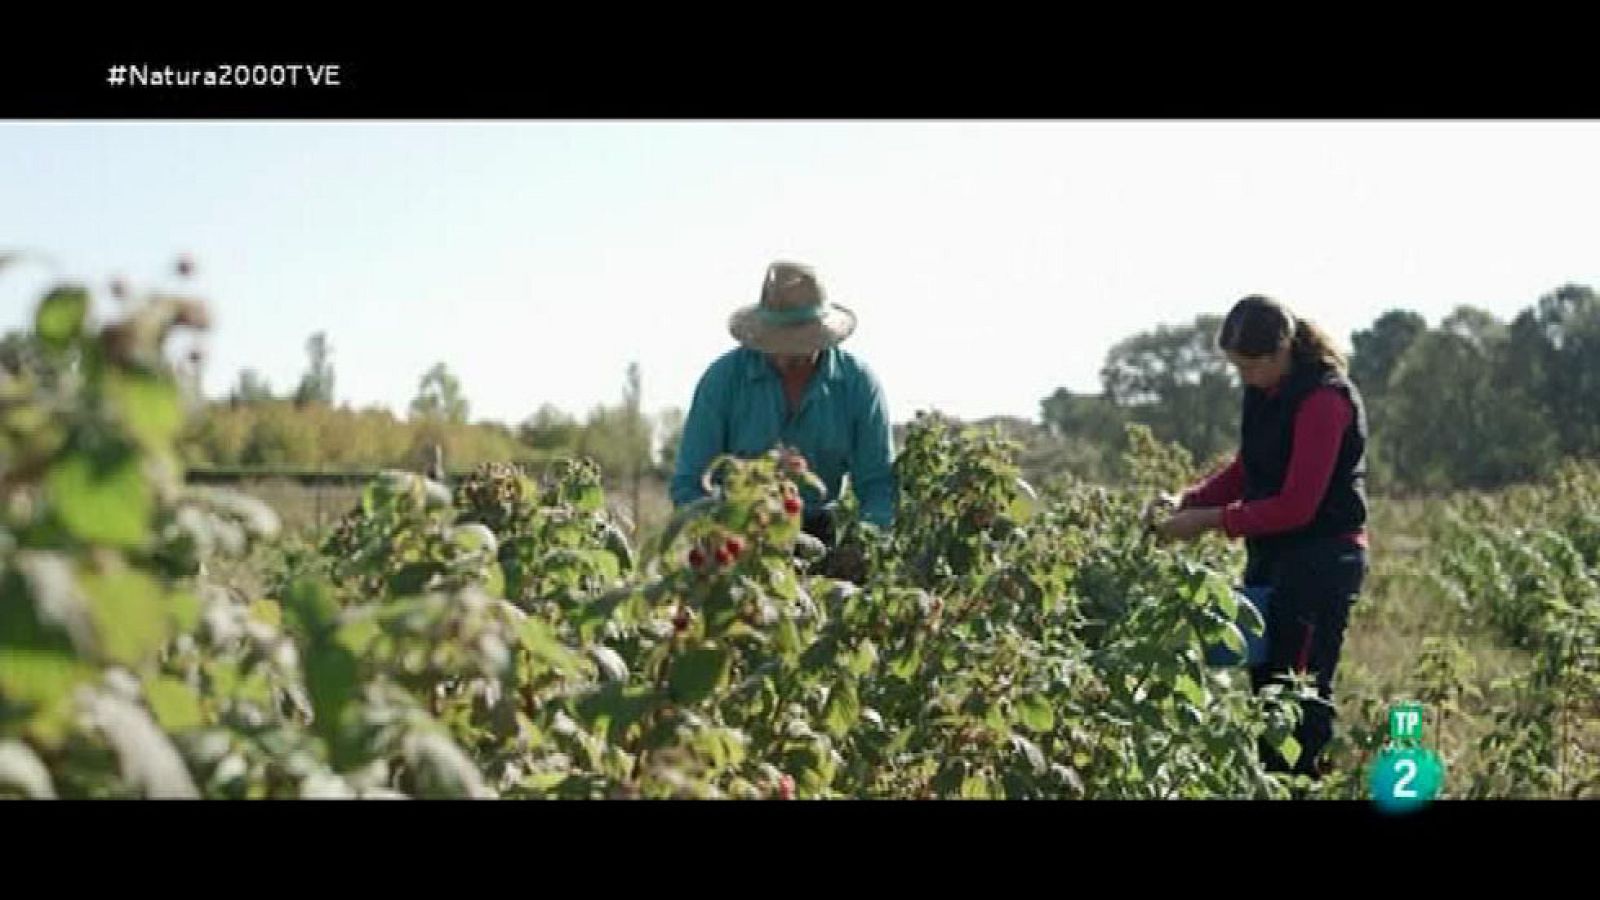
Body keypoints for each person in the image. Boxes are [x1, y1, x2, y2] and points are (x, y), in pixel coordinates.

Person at [1154, 294, 1369, 780]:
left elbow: (1297, 505)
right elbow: (1250, 469)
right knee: (1264, 690)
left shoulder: (1323, 399)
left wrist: (1208, 521)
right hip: (1272, 557)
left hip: (1321, 561)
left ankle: (1304, 787)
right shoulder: (1266, 392)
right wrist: (1187, 500)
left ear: (1283, 350)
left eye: (1250, 366)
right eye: (1238, 368)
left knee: (1298, 698)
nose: (1244, 377)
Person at [670, 261, 896, 545]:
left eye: (799, 344)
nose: (787, 356)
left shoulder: (857, 385)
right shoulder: (724, 381)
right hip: (741, 535)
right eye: (779, 342)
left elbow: (877, 485)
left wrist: (865, 543)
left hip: (819, 537)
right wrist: (716, 537)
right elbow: (690, 484)